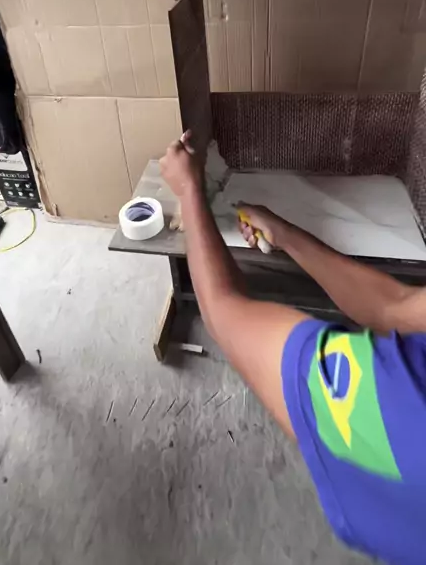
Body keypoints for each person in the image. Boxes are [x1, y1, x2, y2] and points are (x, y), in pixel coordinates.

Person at [159, 131, 426, 565]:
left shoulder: (398, 409)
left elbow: (226, 314)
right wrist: (286, 236)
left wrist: (190, 192)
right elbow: (393, 306)